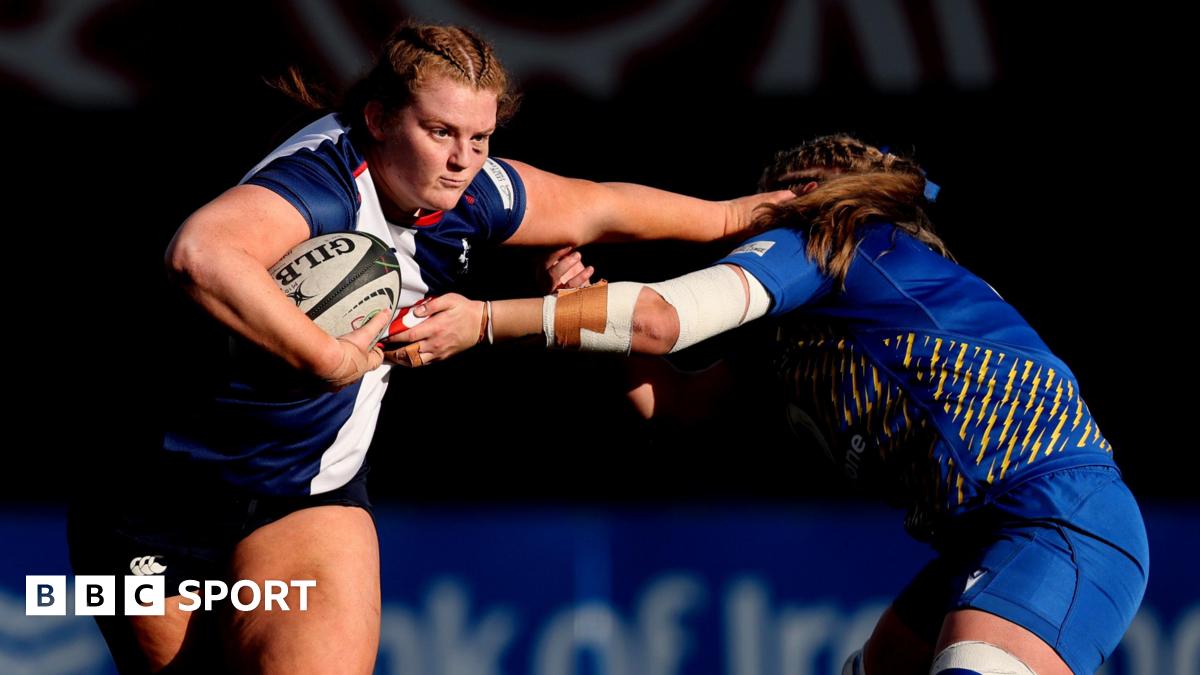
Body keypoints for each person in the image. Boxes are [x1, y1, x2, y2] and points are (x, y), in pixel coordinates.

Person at [66, 22, 790, 674]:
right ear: (378, 118)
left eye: (479, 138)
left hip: (304, 498)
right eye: (440, 131)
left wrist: (753, 213)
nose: (462, 160)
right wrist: (329, 357)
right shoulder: (319, 188)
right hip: (148, 503)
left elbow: (603, 205)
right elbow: (199, 252)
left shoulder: (476, 192)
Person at [454, 135, 1148, 674]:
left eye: (767, 209)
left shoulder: (844, 240)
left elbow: (661, 320)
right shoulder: (805, 339)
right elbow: (674, 402)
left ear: (804, 195)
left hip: (1060, 520)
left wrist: (484, 319)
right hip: (991, 536)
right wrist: (575, 307)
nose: (752, 232)